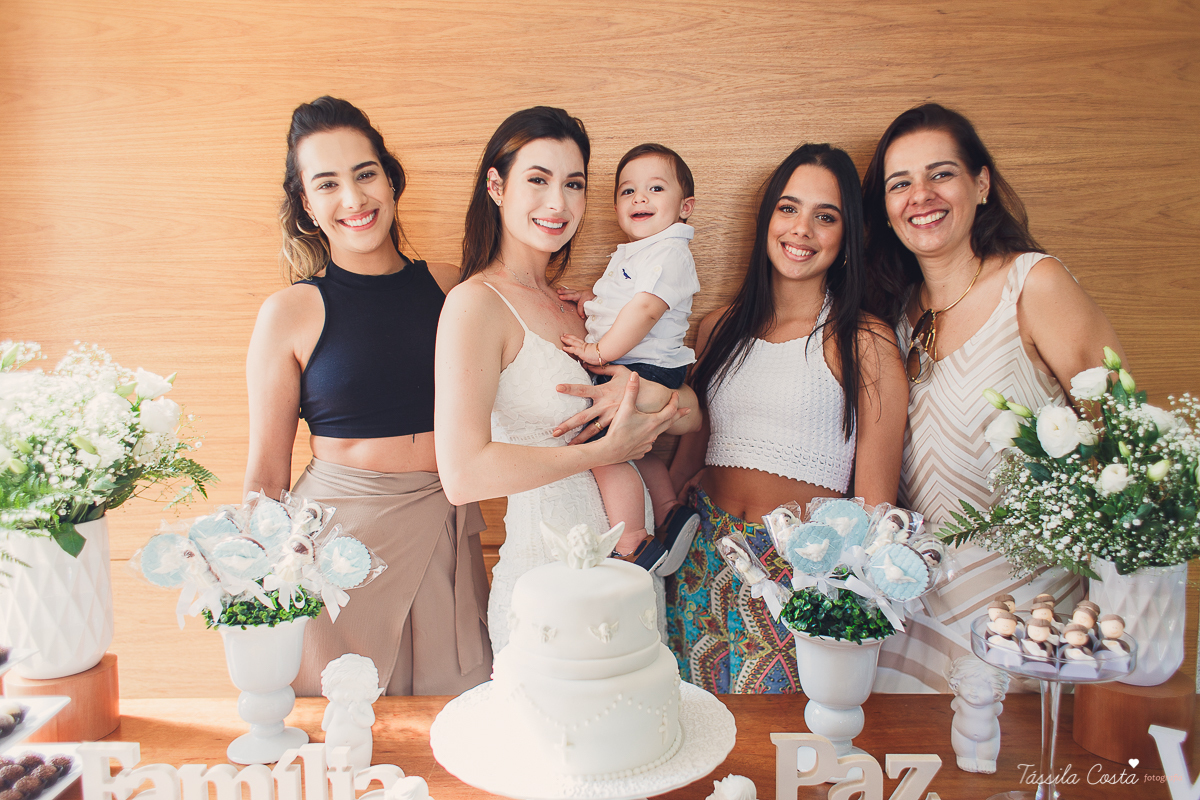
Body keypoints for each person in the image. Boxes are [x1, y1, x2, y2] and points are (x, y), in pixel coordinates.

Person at [860, 102, 1125, 692]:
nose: (920, 195)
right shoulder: (892, 322)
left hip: (1035, 631)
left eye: (941, 173)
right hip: (914, 639)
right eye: (899, 183)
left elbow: (1122, 449)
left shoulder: (1034, 286)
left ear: (981, 183)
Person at [244, 96, 492, 696]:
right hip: (334, 550)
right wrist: (248, 590)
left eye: (365, 174)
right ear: (307, 205)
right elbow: (267, 471)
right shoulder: (288, 313)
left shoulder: (455, 290)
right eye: (327, 184)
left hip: (444, 528)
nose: (353, 200)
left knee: (453, 731)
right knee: (337, 736)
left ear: (391, 179)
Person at [433, 106, 698, 655]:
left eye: (573, 184)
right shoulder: (476, 305)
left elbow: (691, 411)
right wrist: (605, 449)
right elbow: (463, 475)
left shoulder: (588, 310)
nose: (558, 203)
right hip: (549, 578)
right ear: (496, 186)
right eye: (537, 180)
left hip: (630, 576)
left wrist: (632, 392)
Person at [666, 144, 908, 693]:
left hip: (797, 574)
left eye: (826, 217)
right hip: (705, 555)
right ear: (767, 218)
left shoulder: (865, 342)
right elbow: (691, 458)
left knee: (779, 747)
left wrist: (840, 601)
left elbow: (874, 505)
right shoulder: (717, 329)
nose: (802, 230)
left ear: (847, 239)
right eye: (788, 209)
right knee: (694, 726)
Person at [556, 143, 703, 575]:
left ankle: (634, 542)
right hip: (640, 363)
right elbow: (626, 300)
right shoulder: (641, 252)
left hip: (643, 367)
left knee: (606, 451)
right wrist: (592, 300)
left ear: (685, 206)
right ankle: (670, 511)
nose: (639, 198)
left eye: (655, 188)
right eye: (627, 191)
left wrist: (598, 350)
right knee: (638, 451)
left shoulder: (669, 252)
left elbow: (644, 311)